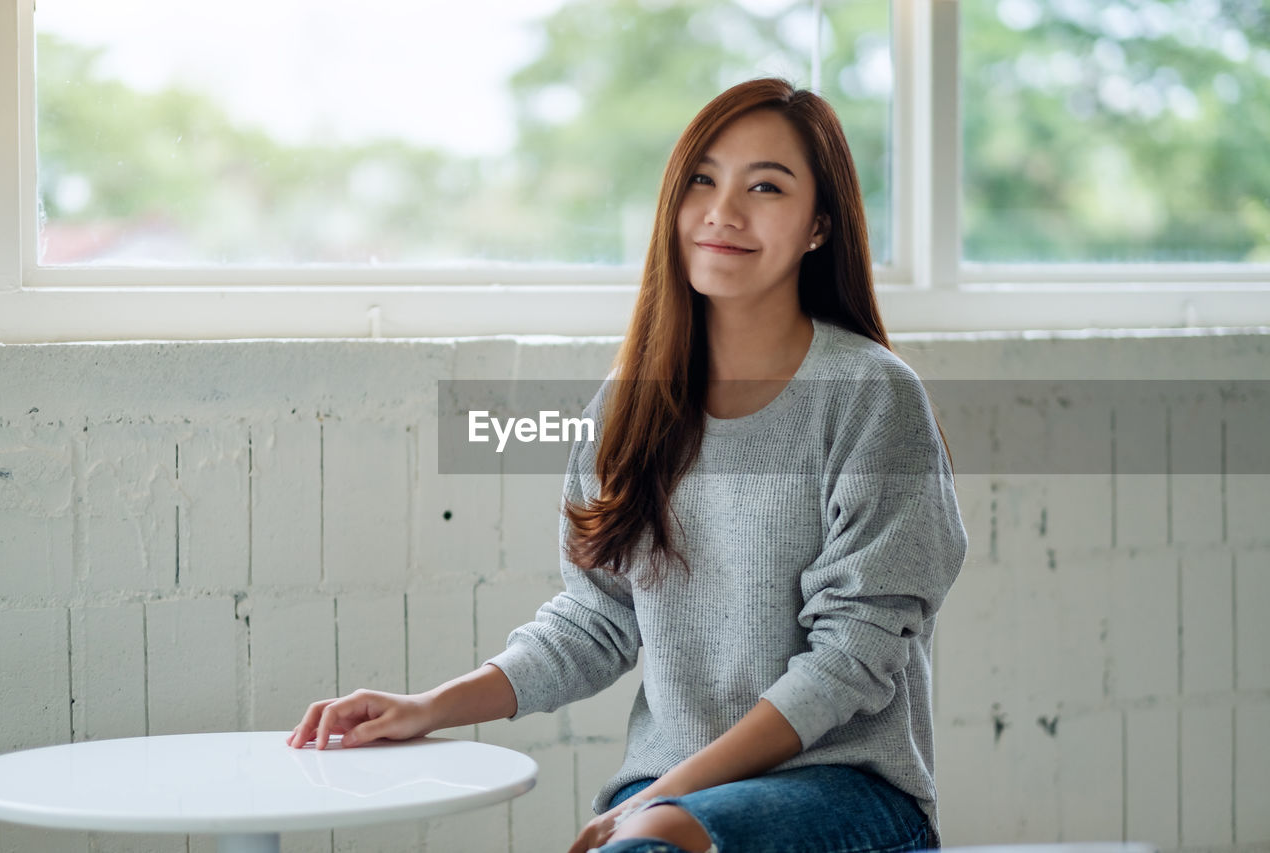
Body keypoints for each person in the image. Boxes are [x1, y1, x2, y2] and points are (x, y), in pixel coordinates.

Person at [287, 77, 968, 853]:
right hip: (670, 790)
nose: (723, 211)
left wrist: (665, 800)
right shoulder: (629, 404)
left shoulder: (871, 395)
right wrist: (428, 705)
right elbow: (596, 617)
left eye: (766, 186)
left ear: (819, 224)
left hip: (845, 790)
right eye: (702, 181)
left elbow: (850, 658)